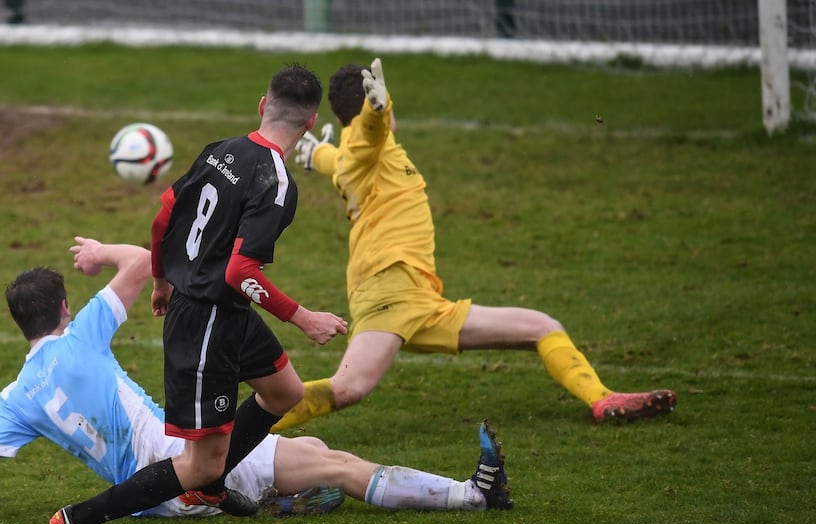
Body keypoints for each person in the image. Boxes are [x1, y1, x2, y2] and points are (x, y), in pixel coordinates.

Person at [0, 238, 513, 524]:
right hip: (181, 464)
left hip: (152, 497)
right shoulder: (83, 334)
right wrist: (101, 253)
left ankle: (276, 501)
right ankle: (474, 494)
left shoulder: (15, 397)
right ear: (64, 309)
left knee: (313, 448)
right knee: (338, 464)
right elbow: (143, 260)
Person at [48, 63, 352, 524]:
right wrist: (303, 317)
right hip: (207, 319)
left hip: (220, 309)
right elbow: (240, 271)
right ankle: (80, 519)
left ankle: (210, 488)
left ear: (263, 104)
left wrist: (163, 280)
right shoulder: (277, 184)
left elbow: (163, 216)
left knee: (285, 393)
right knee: (199, 461)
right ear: (310, 120)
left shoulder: (221, 150)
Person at [275, 57, 676, 432]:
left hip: (421, 298)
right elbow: (369, 132)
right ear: (368, 103)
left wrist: (316, 153)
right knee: (347, 389)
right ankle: (234, 434)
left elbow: (340, 155)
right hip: (389, 291)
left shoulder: (352, 154)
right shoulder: (367, 143)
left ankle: (602, 399)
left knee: (541, 327)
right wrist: (376, 110)